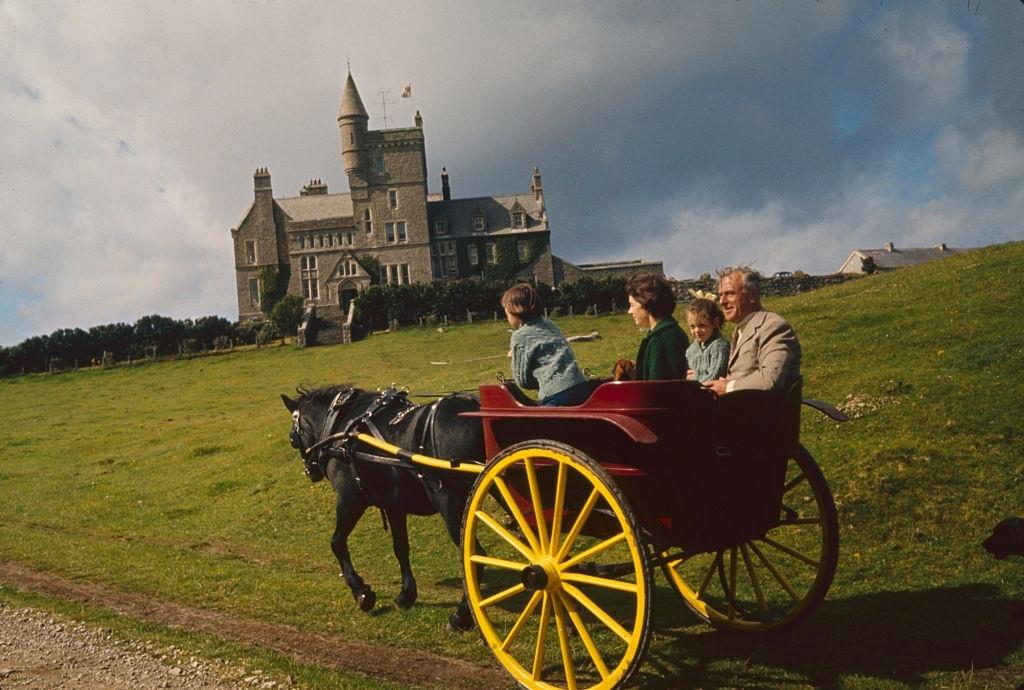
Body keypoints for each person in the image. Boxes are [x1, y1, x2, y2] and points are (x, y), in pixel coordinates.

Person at [705, 266, 801, 396]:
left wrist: (728, 386)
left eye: (730, 293)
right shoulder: (739, 330)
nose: (722, 301)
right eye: (720, 295)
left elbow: (769, 380)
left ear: (753, 295)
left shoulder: (774, 326)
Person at [502, 283, 590, 406]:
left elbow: (522, 381)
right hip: (581, 385)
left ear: (515, 312)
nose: (508, 319)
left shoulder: (519, 336)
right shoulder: (549, 324)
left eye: (507, 314)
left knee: (536, 424)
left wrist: (516, 358)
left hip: (557, 394)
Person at [625, 273, 689, 380]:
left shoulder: (661, 339)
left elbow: (656, 390)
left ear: (646, 303)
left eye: (632, 305)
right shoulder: (669, 332)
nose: (629, 311)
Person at [685, 295, 729, 382]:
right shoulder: (691, 350)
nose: (697, 330)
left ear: (715, 323)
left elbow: (715, 377)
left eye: (701, 325)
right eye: (692, 326)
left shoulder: (719, 346)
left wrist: (694, 377)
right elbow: (686, 375)